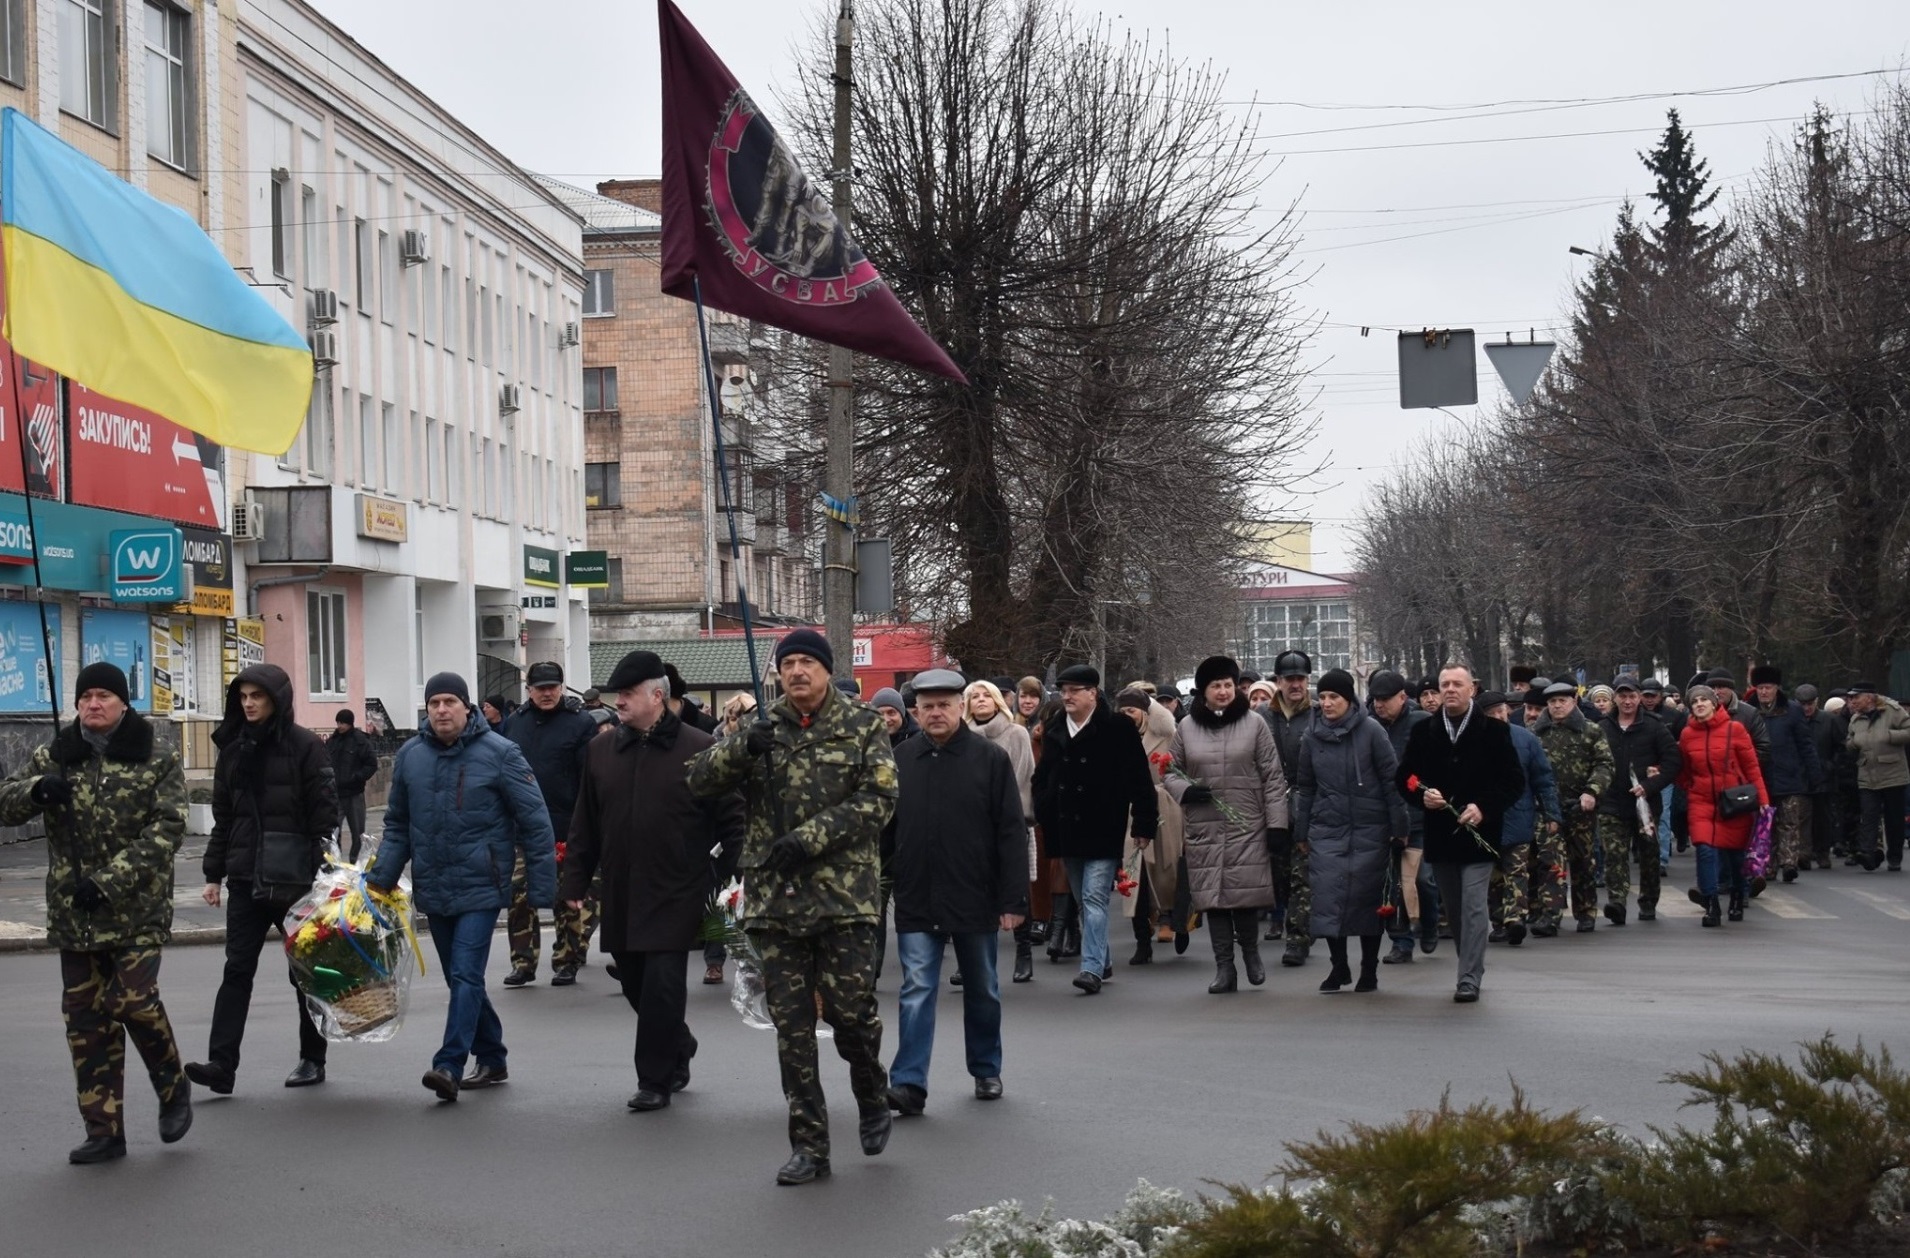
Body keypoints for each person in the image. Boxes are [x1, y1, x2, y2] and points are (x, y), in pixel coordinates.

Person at [686, 628, 897, 1186]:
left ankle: (872, 1090)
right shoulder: (761, 727)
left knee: (852, 1015)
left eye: (808, 662)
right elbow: (698, 782)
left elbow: (878, 801)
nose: (797, 671)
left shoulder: (863, 726)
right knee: (793, 1029)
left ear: (827, 670)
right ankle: (810, 1146)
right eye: (789, 663)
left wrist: (810, 838)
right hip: (775, 903)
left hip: (843, 900)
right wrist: (739, 746)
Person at [0, 662, 192, 1164]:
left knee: (132, 1002)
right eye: (86, 695)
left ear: (123, 702)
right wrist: (38, 790)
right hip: (74, 914)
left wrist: (108, 882)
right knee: (86, 1022)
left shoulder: (157, 757)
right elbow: (5, 803)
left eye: (104, 694)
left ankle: (173, 1087)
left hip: (136, 909)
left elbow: (167, 829)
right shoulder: (57, 754)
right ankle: (104, 1129)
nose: (93, 703)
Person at [564, 651, 744, 1111]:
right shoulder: (600, 751)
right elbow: (585, 822)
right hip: (622, 886)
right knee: (633, 981)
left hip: (679, 886)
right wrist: (574, 883)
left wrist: (736, 879)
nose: (617, 702)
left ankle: (654, 1081)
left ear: (657, 696)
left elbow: (731, 819)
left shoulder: (700, 749)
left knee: (663, 982)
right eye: (616, 695)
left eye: (627, 694)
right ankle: (678, 1043)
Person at [367, 672, 556, 1102]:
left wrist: (544, 890)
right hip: (434, 885)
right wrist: (378, 883)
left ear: (467, 707)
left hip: (482, 886)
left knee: (466, 973)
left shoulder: (501, 753)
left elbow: (535, 821)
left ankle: (448, 1064)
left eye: (450, 701)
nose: (441, 710)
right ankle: (493, 1055)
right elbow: (397, 826)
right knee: (460, 981)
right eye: (434, 703)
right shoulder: (411, 756)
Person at [187, 664, 340, 1096]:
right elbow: (225, 817)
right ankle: (222, 1065)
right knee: (236, 970)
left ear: (277, 699)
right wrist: (212, 873)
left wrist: (325, 879)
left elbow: (325, 816)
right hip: (245, 878)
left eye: (258, 696)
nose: (249, 703)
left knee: (305, 974)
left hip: (296, 882)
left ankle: (312, 1058)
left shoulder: (306, 746)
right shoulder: (233, 750)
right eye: (244, 696)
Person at [884, 670, 1028, 1116]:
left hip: (975, 894)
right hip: (916, 894)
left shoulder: (989, 758)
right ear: (917, 712)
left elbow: (1010, 831)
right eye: (927, 706)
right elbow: (883, 831)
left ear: (960, 707)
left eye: (945, 704)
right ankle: (908, 1084)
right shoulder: (900, 759)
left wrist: (1013, 900)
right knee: (916, 988)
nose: (936, 713)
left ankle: (986, 1068)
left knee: (982, 986)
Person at [1396, 665, 1525, 1003]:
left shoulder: (1495, 732)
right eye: (1444, 685)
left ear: (1472, 689)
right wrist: (1421, 794)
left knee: (1473, 905)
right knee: (1453, 909)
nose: (1450, 690)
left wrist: (1484, 807)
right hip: (1440, 836)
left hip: (1479, 835)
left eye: (1457, 684)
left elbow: (1513, 781)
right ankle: (1468, 961)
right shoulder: (1424, 731)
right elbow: (1405, 777)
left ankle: (1469, 976)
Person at [1032, 664, 1158, 996]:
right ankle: (1102, 960)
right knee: (1081, 898)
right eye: (1064, 690)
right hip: (1065, 830)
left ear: (1093, 693)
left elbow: (1139, 779)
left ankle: (1090, 969)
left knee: (1093, 896)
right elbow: (1042, 776)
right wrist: (1045, 805)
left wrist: (1144, 823)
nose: (1067, 696)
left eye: (1074, 690)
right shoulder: (1056, 728)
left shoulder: (1117, 728)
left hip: (1103, 826)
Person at [1166, 656, 1286, 994]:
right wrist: (1186, 790)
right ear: (1203, 691)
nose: (1223, 691)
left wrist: (1277, 825)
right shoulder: (1187, 727)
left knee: (1243, 894)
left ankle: (1251, 953)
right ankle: (1224, 968)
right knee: (1212, 899)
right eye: (1216, 686)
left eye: (1228, 685)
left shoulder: (1254, 724)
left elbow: (1273, 777)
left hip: (1246, 823)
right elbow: (1168, 770)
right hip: (1204, 825)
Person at [1293, 669, 1406, 994]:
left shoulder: (1371, 731)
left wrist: (1399, 827)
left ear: (1349, 700)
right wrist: (1302, 832)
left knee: (1368, 903)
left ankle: (1368, 970)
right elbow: (1307, 786)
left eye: (1334, 698)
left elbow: (1390, 780)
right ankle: (1338, 966)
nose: (1327, 703)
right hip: (1327, 829)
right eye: (1323, 697)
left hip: (1371, 829)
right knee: (1328, 900)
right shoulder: (1312, 735)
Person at [500, 661, 599, 987]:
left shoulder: (580, 723)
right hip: (523, 829)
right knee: (518, 897)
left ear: (561, 687)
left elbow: (589, 778)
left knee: (567, 899)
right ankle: (523, 963)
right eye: (540, 688)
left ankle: (567, 959)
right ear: (529, 690)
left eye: (553, 687)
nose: (547, 693)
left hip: (564, 827)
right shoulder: (515, 723)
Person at [965, 678, 1040, 982]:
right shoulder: (961, 737)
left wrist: (1014, 816)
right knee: (972, 890)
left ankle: (1024, 952)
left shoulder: (1016, 733)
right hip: (971, 824)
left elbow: (1024, 776)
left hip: (1010, 820)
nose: (980, 700)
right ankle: (971, 959)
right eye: (974, 696)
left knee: (1015, 887)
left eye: (986, 695)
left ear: (998, 700)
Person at [1677, 685, 1768, 925]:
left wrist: (1763, 801)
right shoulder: (1687, 735)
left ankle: (1738, 897)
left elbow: (1752, 768)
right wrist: (1684, 783)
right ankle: (1711, 905)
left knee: (1736, 857)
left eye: (1703, 700)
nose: (1699, 704)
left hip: (1734, 802)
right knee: (1705, 851)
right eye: (1694, 701)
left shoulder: (1734, 729)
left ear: (1714, 703)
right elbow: (1683, 770)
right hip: (1702, 802)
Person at [1595, 675, 1682, 925]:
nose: (1627, 701)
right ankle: (1618, 903)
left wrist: (1650, 785)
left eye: (1632, 696)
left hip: (1645, 806)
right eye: (1622, 696)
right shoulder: (1602, 727)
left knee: (1648, 855)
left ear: (1639, 698)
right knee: (1614, 855)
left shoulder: (1654, 726)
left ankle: (1647, 901)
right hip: (1612, 803)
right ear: (1615, 698)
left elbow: (1672, 762)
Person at [1532, 679, 1614, 934]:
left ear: (1573, 702)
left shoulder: (1590, 731)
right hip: (1548, 809)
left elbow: (1604, 764)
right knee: (1550, 861)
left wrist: (1592, 791)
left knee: (1583, 861)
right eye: (1552, 702)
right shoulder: (1536, 733)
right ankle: (1551, 914)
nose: (1557, 706)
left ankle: (1586, 910)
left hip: (1580, 808)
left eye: (1562, 701)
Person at [1368, 669, 1439, 964]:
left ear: (1402, 697)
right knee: (1392, 884)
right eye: (1375, 699)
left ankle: (1430, 923)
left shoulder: (1423, 723)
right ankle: (1401, 941)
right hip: (1383, 818)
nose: (1379, 704)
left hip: (1419, 816)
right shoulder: (1370, 727)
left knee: (1422, 879)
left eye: (1385, 699)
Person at [1481, 690, 1560, 947]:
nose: (1498, 717)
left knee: (1517, 871)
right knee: (1493, 877)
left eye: (1501, 712)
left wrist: (1551, 813)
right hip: (1485, 820)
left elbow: (1543, 779)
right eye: (1491, 714)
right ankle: (1499, 922)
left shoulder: (1526, 740)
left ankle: (1515, 918)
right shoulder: (1473, 742)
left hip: (1519, 815)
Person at [1115, 687, 1187, 964]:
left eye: (1132, 711)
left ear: (1145, 712)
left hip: (1165, 808)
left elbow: (1183, 770)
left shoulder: (1167, 735)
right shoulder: (1116, 738)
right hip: (1131, 811)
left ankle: (1176, 921)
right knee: (1134, 873)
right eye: (1122, 712)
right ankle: (1142, 940)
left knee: (1168, 871)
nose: (1128, 716)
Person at [1260, 650, 1314, 965]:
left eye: (1300, 678)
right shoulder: (1262, 717)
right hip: (1272, 806)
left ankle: (1298, 939)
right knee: (1278, 875)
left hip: (1308, 806)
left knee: (1302, 876)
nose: (1295, 684)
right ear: (1278, 682)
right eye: (1289, 679)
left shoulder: (1318, 715)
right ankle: (1285, 919)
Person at [1750, 665, 1821, 883]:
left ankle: (1789, 862)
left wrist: (1814, 773)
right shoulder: (1750, 711)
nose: (1764, 692)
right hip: (1761, 777)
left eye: (1768, 688)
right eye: (1760, 688)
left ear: (1776, 688)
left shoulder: (1792, 711)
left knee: (1789, 821)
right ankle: (1768, 866)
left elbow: (1805, 744)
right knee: (1766, 822)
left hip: (1789, 774)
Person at [1845, 681, 1910, 871]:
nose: (1852, 701)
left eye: (1856, 697)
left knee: (1894, 818)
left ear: (1869, 697)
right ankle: (1867, 854)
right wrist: (1852, 744)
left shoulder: (1892, 710)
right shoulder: (1856, 718)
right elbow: (1850, 739)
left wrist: (1889, 736)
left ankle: (1894, 856)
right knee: (1869, 815)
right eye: (1851, 698)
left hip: (1892, 773)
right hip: (1867, 773)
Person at [1795, 684, 1839, 870]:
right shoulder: (1793, 720)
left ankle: (1822, 853)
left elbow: (1840, 747)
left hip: (1823, 777)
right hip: (1800, 777)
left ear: (1817, 702)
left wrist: (1830, 765)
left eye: (1810, 703)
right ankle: (1804, 853)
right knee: (1801, 817)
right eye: (1803, 704)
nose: (1807, 708)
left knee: (1823, 817)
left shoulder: (1828, 720)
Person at [327, 708, 379, 863]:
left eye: (343, 723)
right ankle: (333, 862)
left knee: (358, 832)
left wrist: (357, 777)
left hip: (354, 793)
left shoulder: (360, 741)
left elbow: (371, 764)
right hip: (335, 793)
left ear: (350, 723)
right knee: (332, 831)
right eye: (338, 722)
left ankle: (355, 862)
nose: (340, 726)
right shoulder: (332, 741)